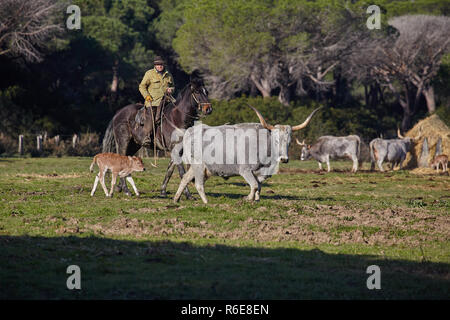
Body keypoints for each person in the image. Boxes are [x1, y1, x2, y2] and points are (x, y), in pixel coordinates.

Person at [137, 56, 175, 144]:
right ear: (155, 65)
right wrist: (147, 96)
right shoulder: (149, 74)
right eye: (157, 64)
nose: (159, 66)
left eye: (161, 64)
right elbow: (142, 86)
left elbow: (173, 86)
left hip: (167, 101)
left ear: (163, 65)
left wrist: (171, 90)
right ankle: (146, 137)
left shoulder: (168, 75)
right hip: (153, 102)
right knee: (152, 117)